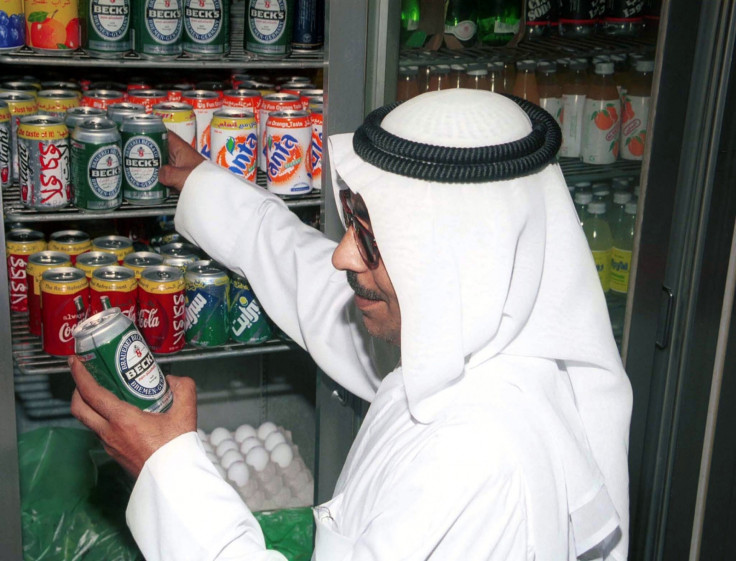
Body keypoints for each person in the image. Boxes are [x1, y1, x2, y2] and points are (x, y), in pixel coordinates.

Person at [69, 89, 633, 561]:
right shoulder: (468, 343)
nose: (343, 256)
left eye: (371, 235)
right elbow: (316, 282)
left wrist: (166, 469)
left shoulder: (479, 458)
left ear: (459, 261)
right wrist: (206, 186)